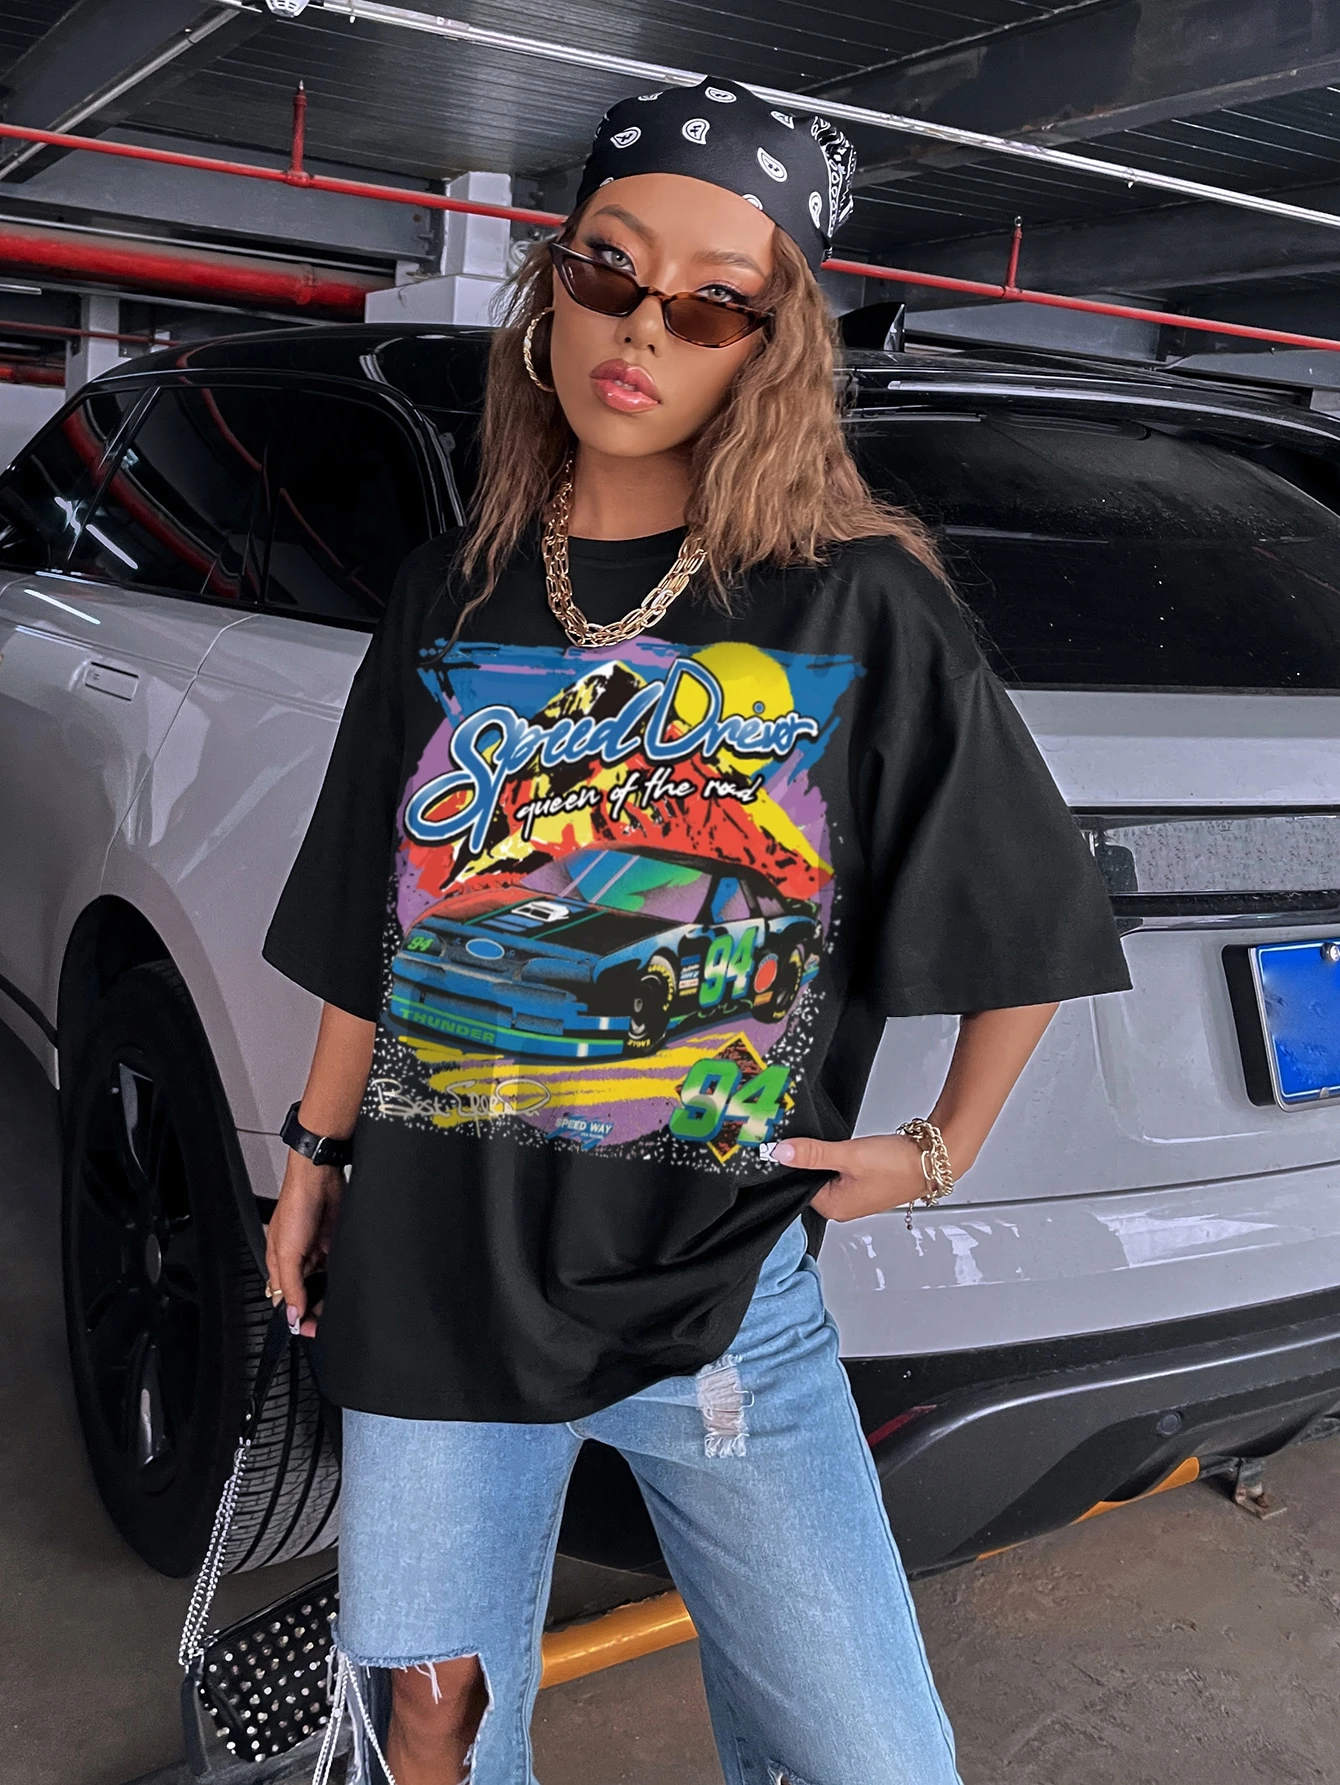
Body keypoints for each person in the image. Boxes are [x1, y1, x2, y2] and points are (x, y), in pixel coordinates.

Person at [262, 77, 1132, 1785]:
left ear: (770, 345)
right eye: (609, 268)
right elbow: (373, 912)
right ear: (553, 286)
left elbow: (1026, 903)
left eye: (713, 300)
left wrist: (936, 1152)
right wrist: (314, 1154)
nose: (644, 326)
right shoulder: (452, 589)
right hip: (436, 1293)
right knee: (427, 1759)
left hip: (717, 1301)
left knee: (872, 1763)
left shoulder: (856, 599)